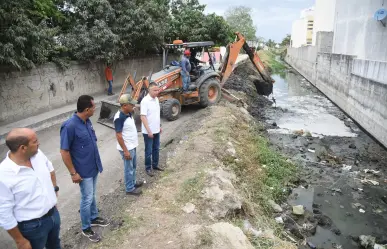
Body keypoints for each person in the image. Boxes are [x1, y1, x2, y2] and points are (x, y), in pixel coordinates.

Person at [0, 128, 61, 249]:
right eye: (35, 141)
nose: (39, 143)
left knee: (55, 245)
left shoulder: (37, 154)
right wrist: (20, 241)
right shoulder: (4, 174)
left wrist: (54, 191)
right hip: (32, 227)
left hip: (53, 215)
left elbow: (50, 169)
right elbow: (3, 212)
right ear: (23, 148)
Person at [60, 95, 109, 243]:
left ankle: (93, 218)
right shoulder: (69, 126)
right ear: (87, 109)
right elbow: (64, 152)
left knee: (92, 195)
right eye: (93, 107)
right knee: (87, 198)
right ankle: (86, 227)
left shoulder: (87, 122)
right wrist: (73, 173)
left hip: (93, 166)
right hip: (82, 171)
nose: (95, 109)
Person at [114, 94, 143, 196]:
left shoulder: (128, 113)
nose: (133, 106)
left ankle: (133, 183)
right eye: (131, 104)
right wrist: (125, 150)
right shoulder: (119, 117)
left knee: (133, 166)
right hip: (127, 148)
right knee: (129, 168)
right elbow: (118, 135)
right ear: (125, 105)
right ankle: (129, 188)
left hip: (132, 145)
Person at [140, 82, 164, 177]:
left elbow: (156, 115)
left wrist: (159, 126)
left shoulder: (156, 99)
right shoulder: (145, 101)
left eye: (157, 90)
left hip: (156, 130)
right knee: (148, 150)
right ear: (149, 90)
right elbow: (143, 117)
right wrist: (149, 131)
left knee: (156, 148)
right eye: (154, 90)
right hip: (148, 132)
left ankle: (155, 165)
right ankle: (148, 168)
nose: (157, 92)